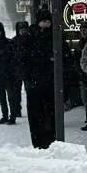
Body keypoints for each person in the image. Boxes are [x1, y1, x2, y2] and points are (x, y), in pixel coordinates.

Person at [19, 11, 57, 149]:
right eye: (44, 21)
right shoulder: (29, 37)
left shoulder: (54, 36)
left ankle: (51, 142)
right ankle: (39, 143)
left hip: (50, 83)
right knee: (37, 116)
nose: (46, 24)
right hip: (35, 84)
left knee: (50, 116)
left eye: (48, 21)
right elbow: (23, 60)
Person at [0, 21, 21, 124]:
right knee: (2, 97)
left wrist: (11, 69)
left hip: (9, 75)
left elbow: (15, 58)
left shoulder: (9, 43)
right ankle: (4, 116)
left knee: (11, 96)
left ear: (2, 32)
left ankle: (13, 116)